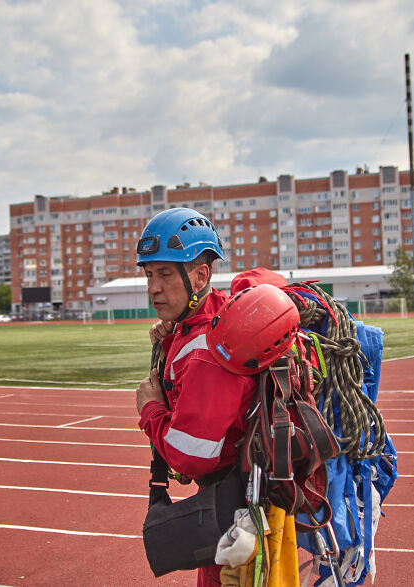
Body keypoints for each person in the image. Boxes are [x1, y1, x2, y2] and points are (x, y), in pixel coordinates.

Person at [135, 207, 257, 586]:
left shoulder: (207, 351)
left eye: (166, 274)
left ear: (200, 275)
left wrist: (151, 410)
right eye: (150, 274)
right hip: (249, 499)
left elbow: (192, 455)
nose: (153, 287)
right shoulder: (220, 311)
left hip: (235, 514)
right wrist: (173, 336)